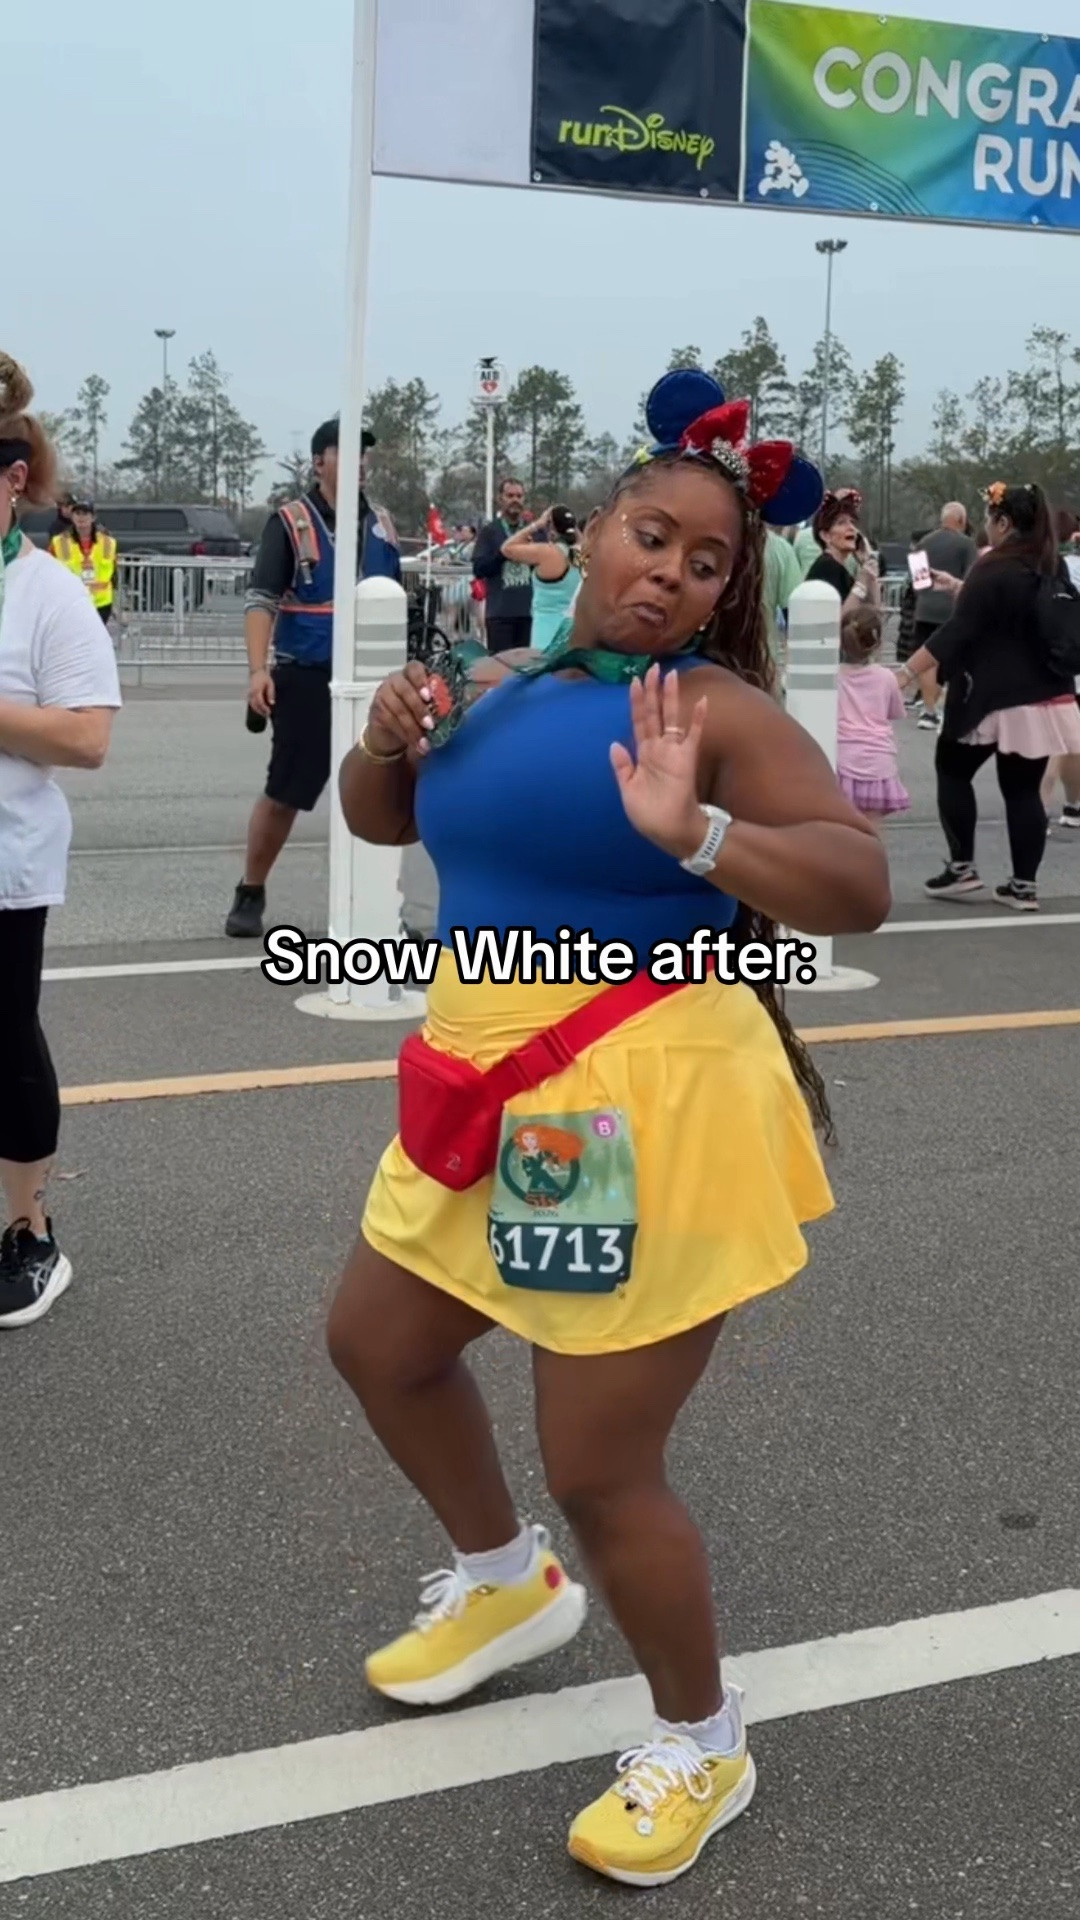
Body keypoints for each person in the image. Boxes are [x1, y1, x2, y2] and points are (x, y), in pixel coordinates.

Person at [327, 368, 889, 1887]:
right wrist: (384, 736)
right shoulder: (501, 680)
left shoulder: (712, 712)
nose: (673, 577)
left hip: (633, 1102)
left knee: (598, 1463)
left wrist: (699, 834)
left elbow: (856, 885)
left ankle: (704, 1739)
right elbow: (383, 820)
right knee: (381, 1343)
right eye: (654, 539)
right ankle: (507, 1584)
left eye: (707, 565)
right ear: (591, 533)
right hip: (484, 1075)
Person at [0, 353, 121, 1328]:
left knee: (6, 1043)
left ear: (12, 477)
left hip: (7, 864)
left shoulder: (48, 593)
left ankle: (29, 1229)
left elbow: (86, 738)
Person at [225, 417, 401, 939]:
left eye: (363, 455)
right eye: (346, 452)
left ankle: (386, 907)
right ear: (319, 461)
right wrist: (258, 671)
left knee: (388, 791)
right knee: (286, 791)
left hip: (374, 681)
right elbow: (261, 600)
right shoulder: (290, 522)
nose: (359, 464)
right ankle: (251, 889)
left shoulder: (381, 524)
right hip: (307, 677)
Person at [899, 481, 1080, 911]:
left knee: (952, 768)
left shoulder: (994, 567)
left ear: (1003, 522)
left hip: (990, 695)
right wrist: (960, 587)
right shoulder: (1048, 563)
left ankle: (962, 867)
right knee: (1023, 789)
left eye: (989, 518)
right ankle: (1023, 886)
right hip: (1043, 694)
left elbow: (958, 632)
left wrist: (905, 673)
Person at [836, 604, 910, 825]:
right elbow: (895, 712)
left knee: (842, 828)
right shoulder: (886, 677)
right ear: (877, 643)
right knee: (872, 831)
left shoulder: (833, 676)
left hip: (842, 760)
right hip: (878, 762)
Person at [910, 503, 978, 733]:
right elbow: (970, 580)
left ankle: (928, 711)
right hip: (953, 610)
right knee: (953, 662)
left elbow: (917, 581)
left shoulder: (923, 543)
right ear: (961, 520)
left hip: (925, 608)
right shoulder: (967, 544)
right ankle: (947, 709)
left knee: (927, 661)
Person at [500, 503, 582, 651]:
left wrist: (536, 525)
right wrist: (572, 526)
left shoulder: (547, 553)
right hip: (572, 633)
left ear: (551, 529)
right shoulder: (581, 555)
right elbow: (582, 542)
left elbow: (507, 548)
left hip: (545, 634)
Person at [471, 477, 533, 654]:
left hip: (529, 613)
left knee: (528, 666)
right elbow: (479, 569)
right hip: (500, 614)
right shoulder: (490, 532)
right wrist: (503, 554)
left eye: (519, 496)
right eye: (510, 495)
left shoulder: (534, 531)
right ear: (500, 499)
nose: (515, 500)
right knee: (501, 667)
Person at [49, 498, 118, 624]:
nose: (81, 517)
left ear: (93, 517)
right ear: (72, 516)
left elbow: (114, 573)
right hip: (71, 603)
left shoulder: (108, 542)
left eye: (85, 513)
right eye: (77, 513)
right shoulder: (59, 542)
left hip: (101, 604)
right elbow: (49, 571)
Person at [805, 493, 880, 608]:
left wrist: (869, 563)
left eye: (852, 522)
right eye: (841, 523)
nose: (851, 528)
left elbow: (875, 610)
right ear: (825, 536)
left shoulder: (841, 569)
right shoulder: (826, 567)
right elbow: (840, 616)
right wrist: (862, 579)